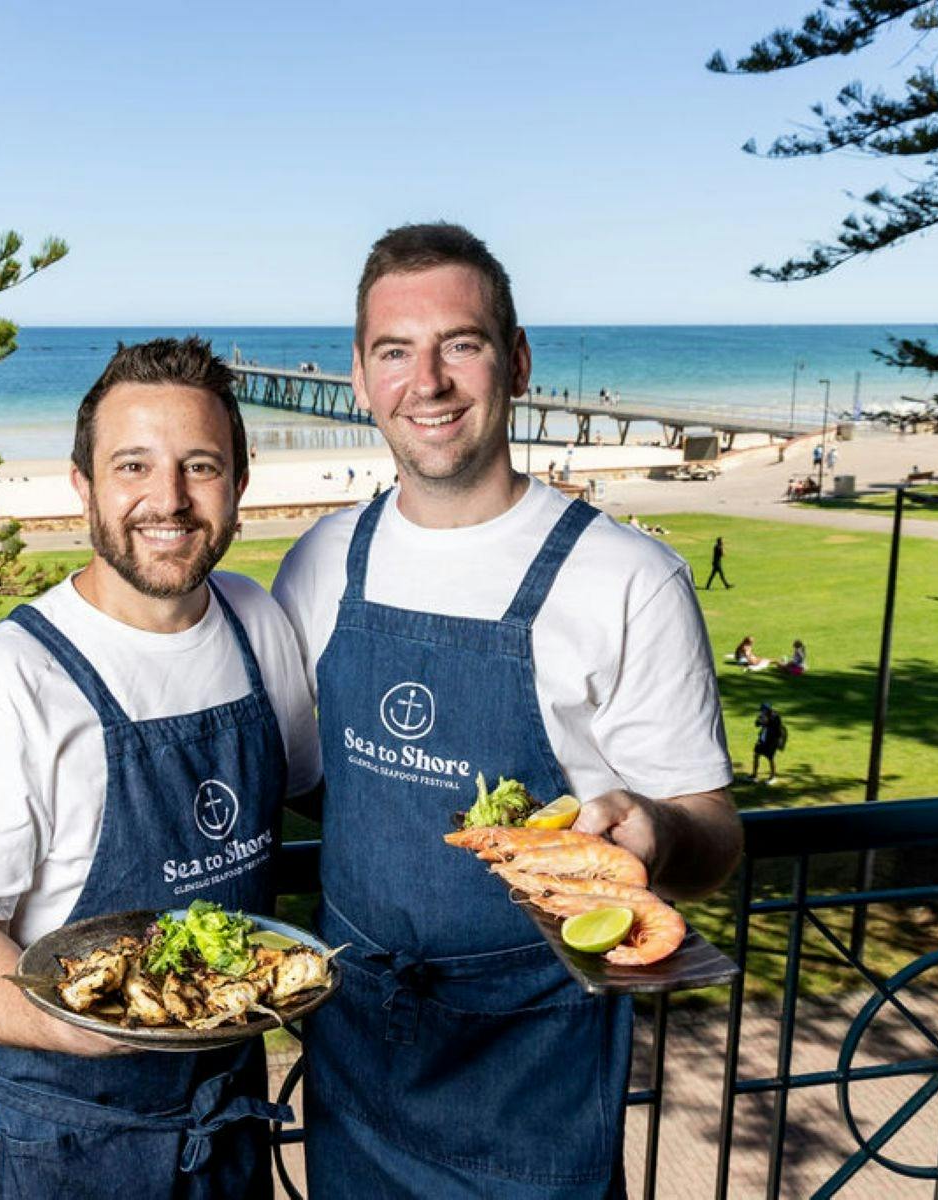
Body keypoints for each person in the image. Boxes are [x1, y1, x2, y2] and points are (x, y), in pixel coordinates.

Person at [273, 222, 740, 1197]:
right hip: (357, 1051)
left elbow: (715, 839)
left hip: (531, 1072)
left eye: (462, 344)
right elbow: (324, 783)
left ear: (515, 361)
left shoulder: (625, 578)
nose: (427, 381)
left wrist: (652, 830)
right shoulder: (318, 562)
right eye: (394, 351)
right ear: (358, 378)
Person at [0, 338, 323, 1199]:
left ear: (238, 485)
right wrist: (105, 1029)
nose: (166, 500)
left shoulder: (254, 622)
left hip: (221, 1120)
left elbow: (314, 794)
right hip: (51, 1138)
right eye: (132, 465)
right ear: (83, 486)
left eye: (198, 466)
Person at [748, 702, 787, 783]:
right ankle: (754, 775)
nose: (761, 712)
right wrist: (760, 720)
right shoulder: (762, 715)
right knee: (756, 755)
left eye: (763, 711)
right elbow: (756, 724)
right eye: (761, 711)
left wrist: (766, 721)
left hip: (772, 741)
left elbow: (778, 730)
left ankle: (773, 777)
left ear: (768, 710)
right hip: (762, 739)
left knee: (770, 758)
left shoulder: (775, 717)